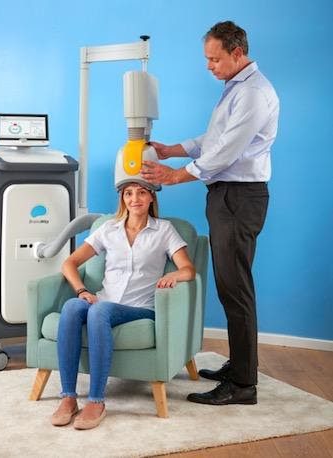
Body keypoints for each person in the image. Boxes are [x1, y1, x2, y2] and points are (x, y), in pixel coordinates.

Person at [141, 20, 279, 405]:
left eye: (214, 59)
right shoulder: (236, 88)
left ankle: (243, 386)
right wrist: (175, 149)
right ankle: (240, 367)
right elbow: (213, 139)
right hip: (227, 195)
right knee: (229, 286)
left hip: (239, 196)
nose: (209, 66)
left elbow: (225, 152)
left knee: (235, 289)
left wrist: (174, 175)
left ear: (237, 53)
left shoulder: (253, 93)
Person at [50, 181, 195, 429]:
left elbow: (189, 270)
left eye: (141, 192)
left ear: (151, 198)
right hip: (104, 301)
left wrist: (174, 275)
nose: (134, 198)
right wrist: (82, 290)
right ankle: (69, 398)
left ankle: (96, 401)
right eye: (128, 193)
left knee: (99, 310)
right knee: (72, 307)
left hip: (140, 308)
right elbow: (69, 263)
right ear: (122, 199)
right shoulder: (109, 229)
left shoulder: (164, 230)